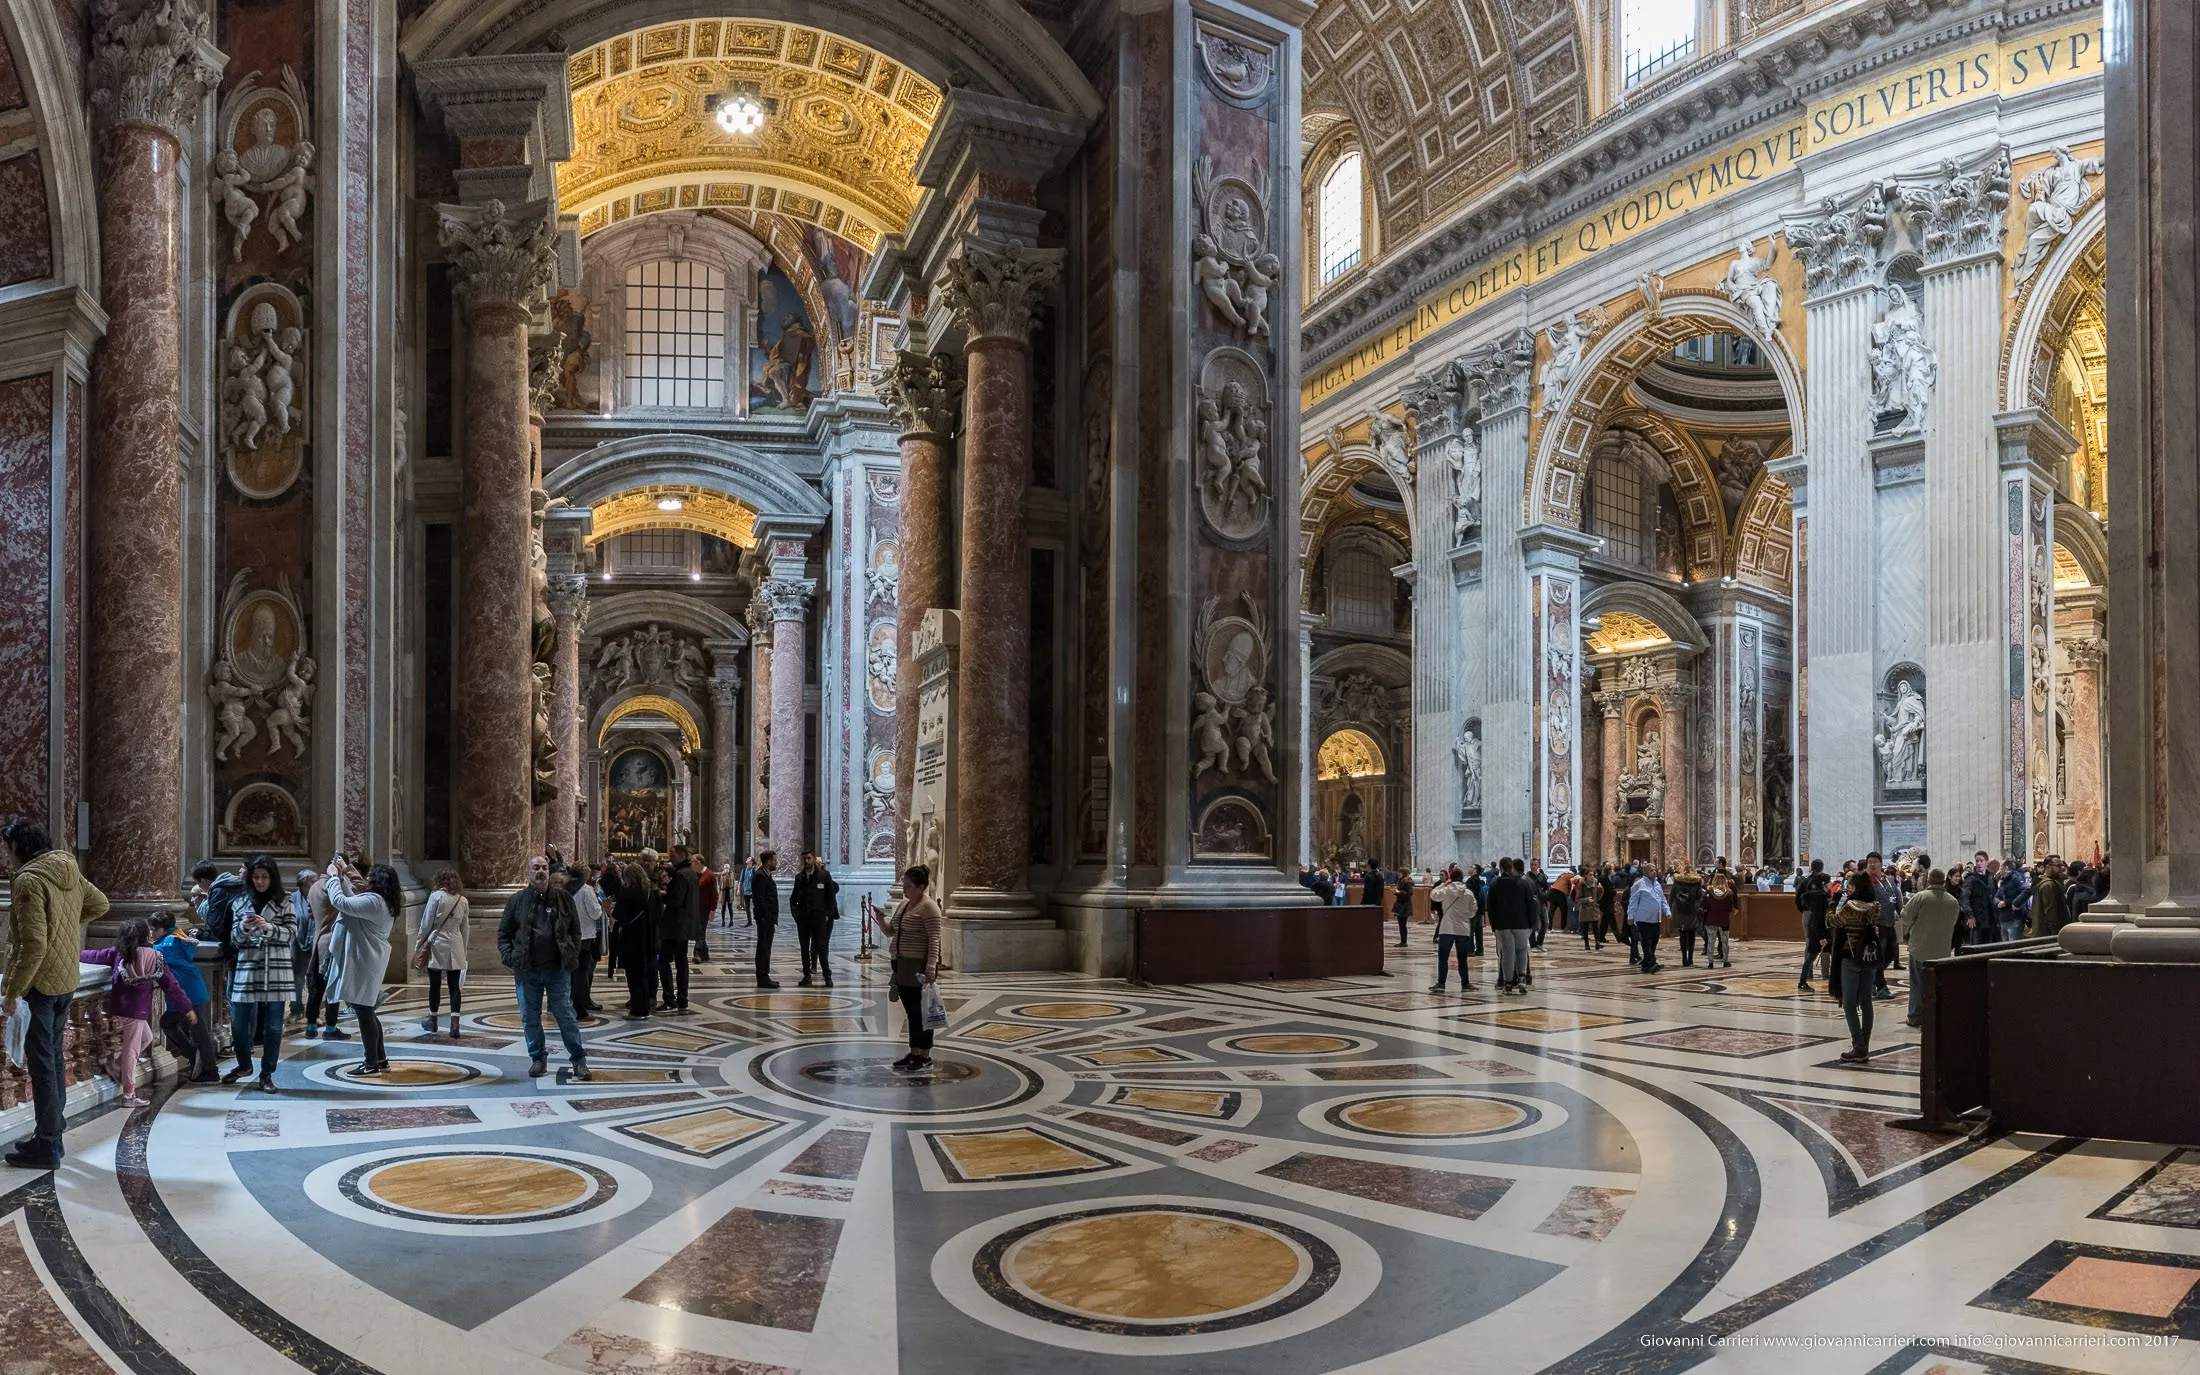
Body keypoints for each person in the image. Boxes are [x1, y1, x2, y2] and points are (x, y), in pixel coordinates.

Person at [3, 820, 107, 1169]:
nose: (5, 855)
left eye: (6, 847)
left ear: (18, 846)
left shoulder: (29, 879)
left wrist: (12, 990)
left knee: (43, 1066)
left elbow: (32, 945)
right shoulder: (67, 867)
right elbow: (100, 904)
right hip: (65, 981)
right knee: (55, 1061)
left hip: (39, 987)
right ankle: (53, 1135)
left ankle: (47, 1143)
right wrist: (65, 922)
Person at [79, 918, 193, 1108]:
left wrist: (76, 954)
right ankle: (129, 1095)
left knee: (146, 1038)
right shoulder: (154, 956)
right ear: (146, 936)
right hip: (136, 1009)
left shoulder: (120, 953)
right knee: (132, 1051)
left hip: (121, 1006)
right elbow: (171, 985)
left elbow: (94, 955)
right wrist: (187, 1008)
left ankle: (116, 1066)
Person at [498, 853, 592, 1079]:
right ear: (528, 873)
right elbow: (504, 934)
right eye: (536, 868)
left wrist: (572, 952)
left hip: (557, 969)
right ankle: (538, 1058)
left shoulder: (564, 898)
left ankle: (579, 1060)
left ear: (549, 872)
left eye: (544, 867)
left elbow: (575, 931)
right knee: (530, 1016)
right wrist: (511, 957)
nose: (540, 871)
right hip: (527, 970)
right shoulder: (516, 900)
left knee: (566, 1015)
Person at [223, 855, 297, 1091]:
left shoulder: (285, 900)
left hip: (276, 968)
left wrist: (268, 927)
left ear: (272, 877)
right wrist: (244, 927)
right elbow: (233, 938)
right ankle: (244, 1064)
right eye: (256, 877)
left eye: (264, 877)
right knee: (239, 1023)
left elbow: (292, 933)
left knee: (274, 1026)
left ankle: (267, 1073)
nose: (260, 881)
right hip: (248, 967)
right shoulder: (240, 901)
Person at [325, 859, 397, 1075]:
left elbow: (341, 902)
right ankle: (380, 1058)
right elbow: (354, 900)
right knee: (367, 1011)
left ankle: (370, 1063)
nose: (367, 879)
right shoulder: (381, 901)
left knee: (364, 1012)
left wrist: (331, 878)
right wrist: (342, 878)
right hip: (368, 960)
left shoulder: (375, 901)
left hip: (365, 961)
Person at [872, 864, 943, 1072]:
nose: (905, 889)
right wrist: (881, 920)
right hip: (901, 965)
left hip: (918, 967)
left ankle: (925, 1056)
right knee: (911, 1013)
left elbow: (934, 940)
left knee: (922, 1012)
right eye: (904, 885)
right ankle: (914, 1053)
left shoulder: (929, 907)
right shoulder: (904, 905)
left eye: (909, 886)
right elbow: (890, 932)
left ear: (921, 887)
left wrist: (931, 966)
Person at [149, 911, 220, 1083]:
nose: (151, 934)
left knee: (199, 1032)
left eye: (153, 930)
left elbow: (154, 955)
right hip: (190, 992)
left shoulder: (167, 944)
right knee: (173, 1023)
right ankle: (195, 1056)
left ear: (162, 929)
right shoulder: (177, 936)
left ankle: (209, 1071)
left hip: (188, 994)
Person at [1830, 872, 1886, 1061]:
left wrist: (1832, 905)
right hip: (1868, 956)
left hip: (1851, 955)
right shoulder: (1875, 906)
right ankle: (1865, 1044)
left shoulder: (1850, 907)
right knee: (1867, 1002)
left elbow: (1832, 922)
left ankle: (1858, 1044)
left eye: (1852, 885)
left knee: (1849, 1003)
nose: (1849, 888)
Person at [1898, 868, 1961, 1028]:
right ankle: (1936, 1013)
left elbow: (1905, 917)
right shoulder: (1952, 901)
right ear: (1943, 881)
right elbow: (1953, 923)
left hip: (1920, 947)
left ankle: (1914, 1015)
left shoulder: (1921, 897)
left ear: (1928, 881)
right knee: (1937, 983)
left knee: (1917, 982)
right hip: (1942, 950)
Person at [413, 869, 469, 1037]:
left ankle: (433, 1020)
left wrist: (419, 945)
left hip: (438, 942)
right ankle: (455, 1025)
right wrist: (463, 950)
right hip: (456, 942)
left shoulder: (436, 896)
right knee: (454, 986)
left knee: (435, 985)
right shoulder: (463, 900)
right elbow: (465, 928)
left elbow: (425, 923)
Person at [303, 863, 347, 1038]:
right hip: (332, 941)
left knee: (316, 986)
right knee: (332, 986)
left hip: (317, 939)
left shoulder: (314, 886)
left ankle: (311, 1026)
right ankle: (330, 1027)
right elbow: (358, 892)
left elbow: (310, 913)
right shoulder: (335, 885)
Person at [608, 862, 657, 1018]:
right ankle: (645, 1008)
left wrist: (607, 908)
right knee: (644, 974)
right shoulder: (650, 892)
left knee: (633, 975)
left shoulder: (628, 893)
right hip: (648, 937)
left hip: (632, 938)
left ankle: (637, 1010)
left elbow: (617, 915)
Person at [1485, 858, 1537, 994]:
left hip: (1503, 924)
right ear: (1512, 868)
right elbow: (1531, 905)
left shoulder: (1495, 885)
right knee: (1522, 951)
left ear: (1501, 868)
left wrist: (1494, 926)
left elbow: (1490, 907)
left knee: (1507, 954)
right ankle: (1521, 979)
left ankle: (1508, 984)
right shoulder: (1523, 883)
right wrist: (1532, 923)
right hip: (1522, 923)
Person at [657, 845, 699, 1012]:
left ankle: (669, 999)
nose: (669, 856)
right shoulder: (691, 873)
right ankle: (682, 998)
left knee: (663, 961)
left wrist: (663, 894)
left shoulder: (681, 875)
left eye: (672, 854)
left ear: (681, 855)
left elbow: (676, 901)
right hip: (685, 925)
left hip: (676, 925)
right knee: (681, 962)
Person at [792, 851, 841, 987]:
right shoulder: (799, 877)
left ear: (813, 859)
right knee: (804, 948)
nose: (807, 861)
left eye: (809, 858)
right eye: (804, 859)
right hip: (803, 919)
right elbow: (793, 898)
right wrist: (796, 915)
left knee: (821, 947)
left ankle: (827, 975)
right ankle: (807, 975)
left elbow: (831, 897)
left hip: (819, 919)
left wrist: (827, 914)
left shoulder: (824, 876)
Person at [1429, 865, 1478, 993]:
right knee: (1462, 958)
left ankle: (1441, 984)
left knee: (1443, 958)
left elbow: (1433, 895)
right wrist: (1465, 917)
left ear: (1450, 878)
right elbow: (1474, 910)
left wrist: (1443, 884)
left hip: (1447, 928)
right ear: (1462, 878)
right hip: (1463, 928)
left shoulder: (1447, 890)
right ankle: (1465, 984)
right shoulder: (1468, 892)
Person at [568, 865, 604, 1014]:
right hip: (585, 936)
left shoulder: (565, 887)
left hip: (569, 935)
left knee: (570, 973)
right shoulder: (586, 890)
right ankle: (579, 1007)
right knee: (582, 973)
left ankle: (566, 1004)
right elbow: (595, 913)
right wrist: (601, 906)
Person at [1796, 859, 1832, 991]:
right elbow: (1819, 917)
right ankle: (1826, 974)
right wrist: (1822, 935)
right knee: (1817, 950)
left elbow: (1798, 898)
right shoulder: (1821, 897)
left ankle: (1807, 976)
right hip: (1818, 925)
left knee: (1810, 948)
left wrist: (1804, 909)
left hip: (1809, 917)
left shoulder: (1806, 883)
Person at [1628, 864, 1669, 974]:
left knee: (1654, 941)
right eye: (1651, 870)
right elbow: (1633, 901)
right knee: (1646, 941)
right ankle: (1652, 962)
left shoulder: (1657, 885)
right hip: (1643, 918)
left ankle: (1646, 965)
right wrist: (1630, 916)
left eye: (1655, 870)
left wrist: (1667, 911)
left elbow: (1662, 899)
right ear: (1645, 872)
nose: (1654, 872)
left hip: (1656, 918)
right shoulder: (1639, 884)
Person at [751, 851, 783, 989]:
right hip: (765, 918)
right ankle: (762, 976)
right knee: (763, 947)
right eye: (774, 860)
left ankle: (765, 975)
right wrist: (766, 916)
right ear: (768, 861)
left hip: (768, 918)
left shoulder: (765, 875)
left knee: (766, 947)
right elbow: (760, 899)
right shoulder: (760, 876)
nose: (776, 863)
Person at [1669, 861, 1705, 966]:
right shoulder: (1696, 882)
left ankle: (1684, 958)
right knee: (1692, 934)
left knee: (1682, 933)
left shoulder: (1677, 881)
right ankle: (1690, 958)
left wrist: (1671, 909)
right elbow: (1699, 898)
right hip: (1692, 909)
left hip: (1679, 909)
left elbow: (1672, 897)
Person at [1702, 861, 1736, 969]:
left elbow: (1703, 905)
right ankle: (1725, 961)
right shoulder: (1728, 894)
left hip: (1710, 919)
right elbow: (1729, 908)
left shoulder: (1709, 892)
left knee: (1711, 941)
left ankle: (1710, 962)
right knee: (1724, 941)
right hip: (1724, 920)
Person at [2031, 857, 2068, 940]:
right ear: (2048, 867)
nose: (2061, 868)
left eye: (2061, 865)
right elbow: (2050, 912)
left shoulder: (2044, 882)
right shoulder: (2048, 885)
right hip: (2048, 934)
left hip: (2043, 932)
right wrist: (2056, 933)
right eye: (2058, 866)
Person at [694, 854, 717, 962]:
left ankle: (697, 953)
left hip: (705, 907)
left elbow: (714, 894)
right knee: (700, 930)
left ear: (699, 863)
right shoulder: (695, 874)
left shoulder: (709, 875)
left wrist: (712, 910)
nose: (692, 865)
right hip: (696, 907)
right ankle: (705, 953)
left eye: (694, 863)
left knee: (700, 930)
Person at [1390, 870, 1415, 948]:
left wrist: (1399, 892)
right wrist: (1396, 892)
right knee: (1401, 924)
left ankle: (1404, 942)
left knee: (1403, 924)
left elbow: (1410, 893)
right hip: (1400, 904)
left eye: (1400, 872)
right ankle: (1403, 941)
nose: (1398, 874)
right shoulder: (1400, 881)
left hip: (1405, 905)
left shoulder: (1408, 881)